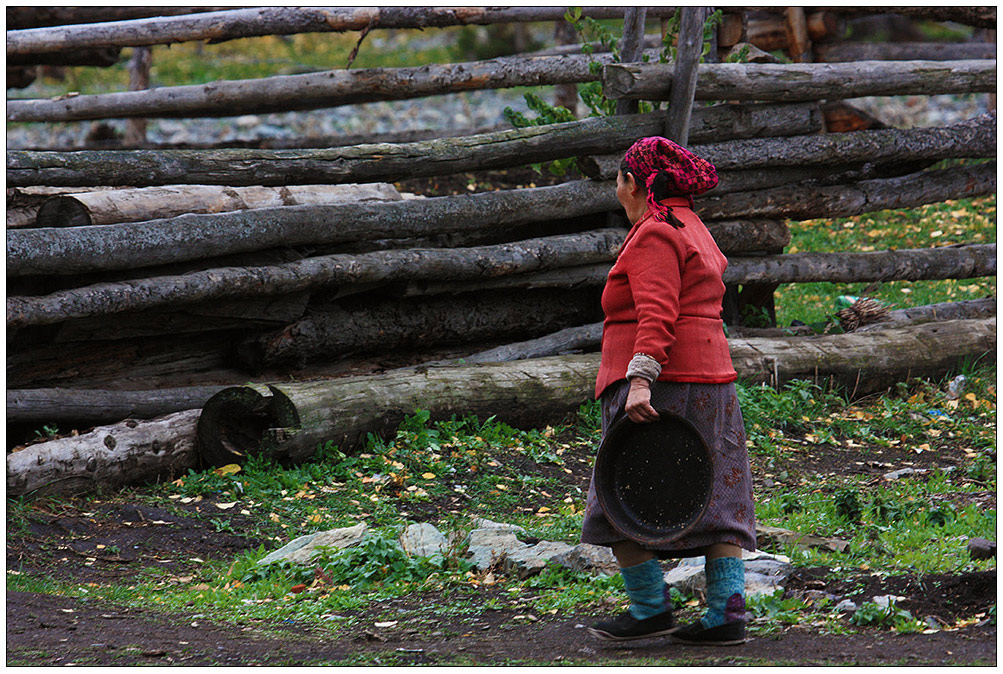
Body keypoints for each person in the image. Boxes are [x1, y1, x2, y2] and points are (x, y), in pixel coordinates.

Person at [581, 136, 756, 646]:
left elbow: (658, 314)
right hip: (711, 384)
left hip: (667, 385)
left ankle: (651, 609)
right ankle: (726, 615)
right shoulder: (693, 226)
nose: (616, 190)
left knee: (618, 496)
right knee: (716, 495)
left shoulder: (656, 234)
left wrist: (640, 380)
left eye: (618, 180)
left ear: (632, 183)